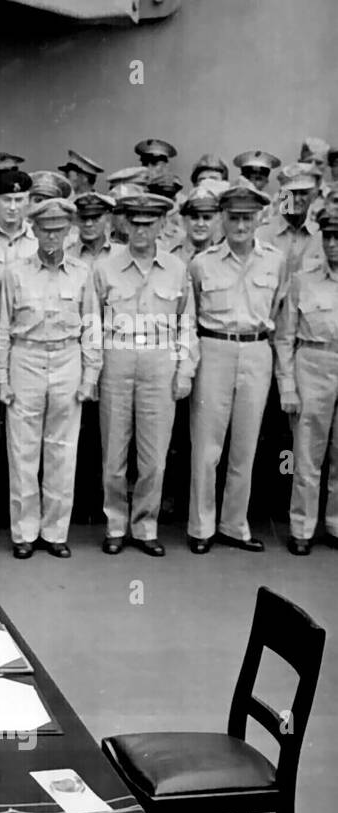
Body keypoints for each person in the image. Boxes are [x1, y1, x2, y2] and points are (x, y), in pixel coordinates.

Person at [83, 193, 194, 557]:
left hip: (160, 359)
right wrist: (93, 371)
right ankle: (115, 524)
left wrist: (184, 370)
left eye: (149, 223)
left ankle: (146, 526)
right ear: (124, 224)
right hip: (118, 356)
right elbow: (92, 323)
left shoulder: (178, 268)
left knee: (154, 455)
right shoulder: (105, 268)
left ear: (162, 225)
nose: (142, 230)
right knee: (114, 452)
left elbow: (186, 324)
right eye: (135, 223)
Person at [186, 183, 287, 554]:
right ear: (222, 220)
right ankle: (201, 526)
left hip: (257, 349)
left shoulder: (275, 261)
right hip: (214, 348)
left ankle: (234, 524)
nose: (241, 226)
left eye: (247, 218)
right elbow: (192, 313)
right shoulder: (202, 262)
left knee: (244, 445)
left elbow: (279, 310)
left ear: (259, 219)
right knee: (207, 446)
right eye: (233, 218)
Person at [0, 197, 97, 559]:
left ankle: (55, 532)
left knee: (62, 450)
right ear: (33, 231)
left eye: (58, 230)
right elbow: (3, 329)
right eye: (45, 230)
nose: (51, 237)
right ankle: (24, 532)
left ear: (68, 232)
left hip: (67, 358)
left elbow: (92, 328)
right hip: (27, 356)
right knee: (23, 450)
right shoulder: (15, 272)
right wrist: (2, 379)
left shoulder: (84, 273)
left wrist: (89, 376)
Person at [275, 210, 338, 555]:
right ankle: (302, 526)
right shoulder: (303, 280)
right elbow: (285, 337)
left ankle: (335, 523)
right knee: (306, 453)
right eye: (327, 237)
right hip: (312, 362)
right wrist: (287, 384)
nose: (332, 245)